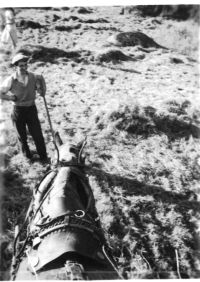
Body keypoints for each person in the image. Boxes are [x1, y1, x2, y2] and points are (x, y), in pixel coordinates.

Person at [0, 53, 48, 163]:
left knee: (37, 134)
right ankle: (28, 157)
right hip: (18, 111)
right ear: (15, 66)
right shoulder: (11, 80)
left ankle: (43, 157)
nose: (24, 68)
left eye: (25, 65)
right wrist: (10, 97)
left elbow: (41, 91)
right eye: (21, 65)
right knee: (22, 136)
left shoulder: (34, 76)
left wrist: (41, 87)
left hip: (31, 109)